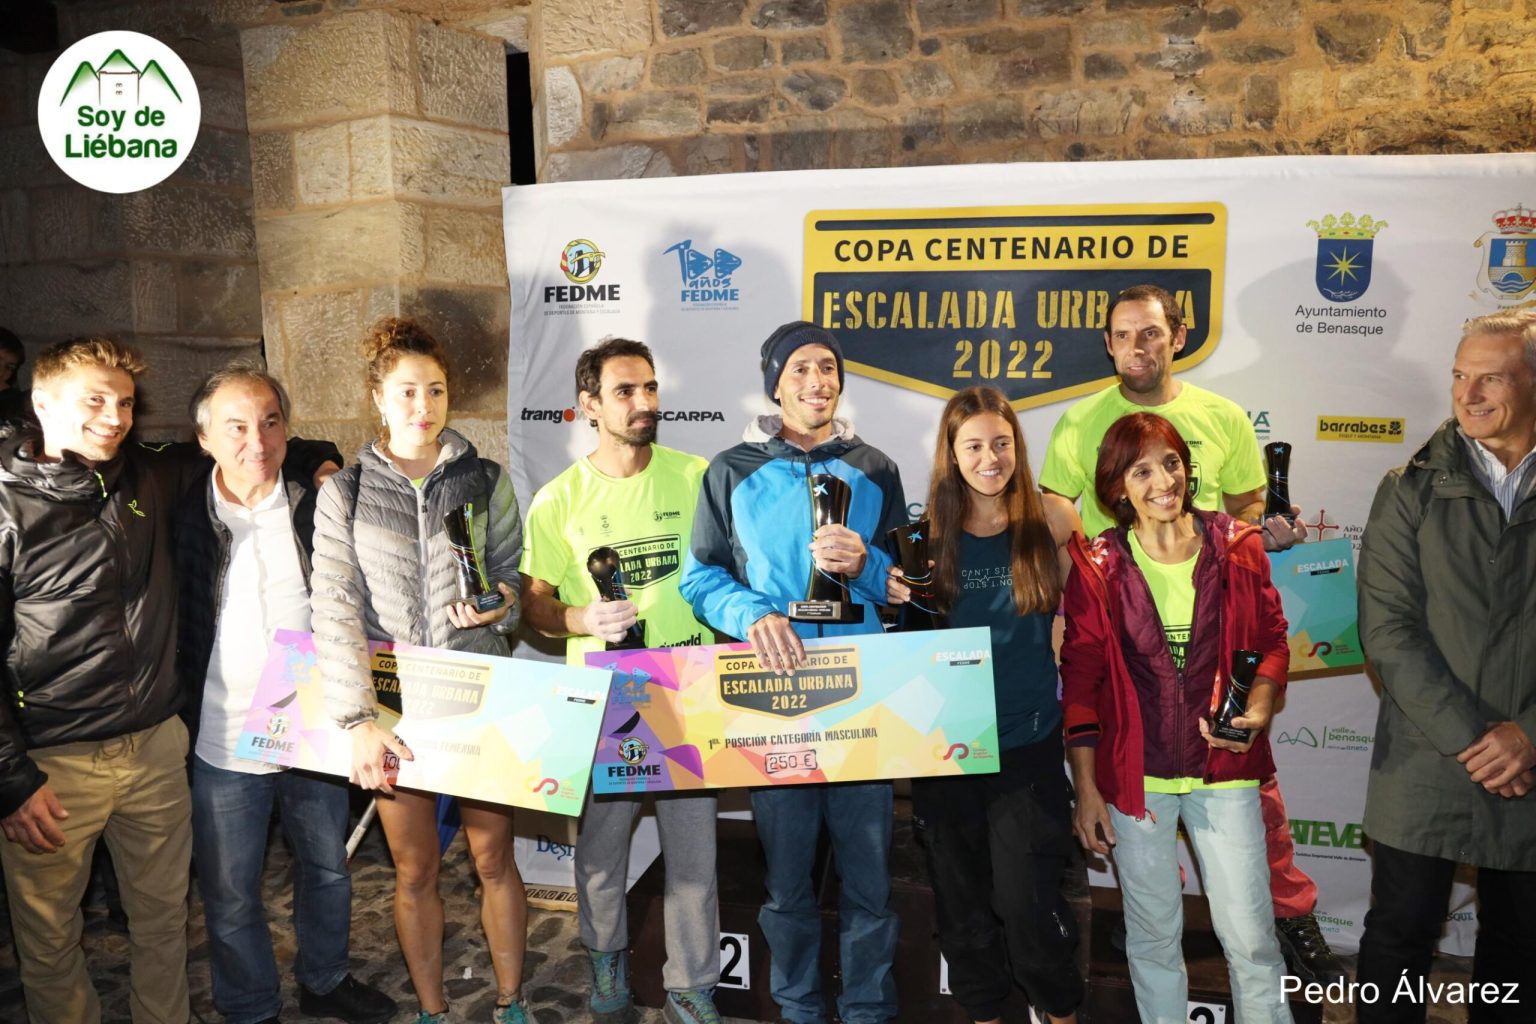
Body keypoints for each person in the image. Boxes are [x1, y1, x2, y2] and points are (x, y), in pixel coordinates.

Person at [1039, 283, 1343, 984]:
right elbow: (1057, 509)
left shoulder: (1221, 416)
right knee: (1136, 790)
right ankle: (1152, 913)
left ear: (1177, 337)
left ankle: (1288, 914)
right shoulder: (1081, 420)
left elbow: (1247, 507)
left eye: (1151, 333)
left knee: (1247, 788)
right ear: (1108, 344)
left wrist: (1267, 530)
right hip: (1130, 634)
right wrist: (1076, 592)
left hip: (1216, 632)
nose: (1137, 347)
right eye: (1123, 335)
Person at [681, 321, 906, 1024]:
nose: (817, 381)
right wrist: (752, 613)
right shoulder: (731, 469)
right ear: (775, 385)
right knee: (787, 884)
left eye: (828, 367)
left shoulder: (875, 468)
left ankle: (868, 1010)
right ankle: (799, 1008)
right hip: (776, 699)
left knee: (870, 882)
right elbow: (700, 577)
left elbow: (906, 586)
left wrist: (865, 564)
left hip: (857, 701)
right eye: (801, 369)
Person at [311, 317, 527, 1024]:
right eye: (406, 391)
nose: (422, 405)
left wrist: (498, 605)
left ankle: (511, 1001)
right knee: (415, 869)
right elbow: (334, 608)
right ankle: (433, 1010)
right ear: (378, 397)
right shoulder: (344, 492)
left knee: (493, 860)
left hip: (477, 693)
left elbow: (510, 581)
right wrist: (358, 719)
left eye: (434, 389)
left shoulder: (485, 479)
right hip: (395, 705)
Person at [178, 366, 395, 1024]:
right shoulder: (181, 509)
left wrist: (316, 458)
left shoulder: (312, 499)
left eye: (270, 422)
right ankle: (250, 1007)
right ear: (203, 438)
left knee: (326, 869)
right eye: (237, 427)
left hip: (314, 727)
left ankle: (325, 980)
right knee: (229, 892)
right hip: (221, 736)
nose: (258, 440)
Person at [1061, 412, 1294, 1024]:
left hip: (1226, 770)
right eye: (1141, 471)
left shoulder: (1237, 545)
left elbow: (1272, 639)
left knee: (1252, 939)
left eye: (1170, 463)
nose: (1163, 482)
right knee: (1153, 940)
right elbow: (1080, 683)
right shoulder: (1097, 566)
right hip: (1136, 781)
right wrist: (1087, 789)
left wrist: (1261, 703)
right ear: (1117, 487)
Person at [519, 337, 722, 1024]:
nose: (644, 403)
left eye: (650, 388)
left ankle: (691, 988)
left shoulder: (696, 475)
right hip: (608, 700)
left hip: (687, 687)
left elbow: (728, 571)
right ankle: (606, 962)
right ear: (589, 406)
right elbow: (534, 604)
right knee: (602, 851)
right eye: (626, 391)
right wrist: (580, 616)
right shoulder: (558, 500)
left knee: (694, 854)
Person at [0, 336, 194, 1023]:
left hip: (156, 748)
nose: (114, 417)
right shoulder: (6, 506)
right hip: (53, 767)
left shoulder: (148, 475)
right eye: (95, 401)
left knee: (165, 923)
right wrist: (11, 779)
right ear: (42, 403)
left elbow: (238, 443)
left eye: (126, 403)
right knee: (50, 942)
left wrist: (315, 459)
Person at [1354, 309, 1536, 1024]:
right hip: (1426, 762)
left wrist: (1527, 735)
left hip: (1530, 767)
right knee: (1398, 939)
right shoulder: (1411, 487)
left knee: (1520, 953)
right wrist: (1479, 739)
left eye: (1492, 377)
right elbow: (1388, 631)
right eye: (1460, 376)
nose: (1469, 394)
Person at [885, 386, 1083, 1024]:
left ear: (1018, 447)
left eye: (1001, 443)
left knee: (1028, 908)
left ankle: (1059, 1012)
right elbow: (903, 654)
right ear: (951, 453)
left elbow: (1088, 627)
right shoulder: (921, 541)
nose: (989, 458)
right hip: (948, 752)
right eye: (973, 446)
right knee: (963, 912)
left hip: (1028, 745)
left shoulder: (1053, 520)